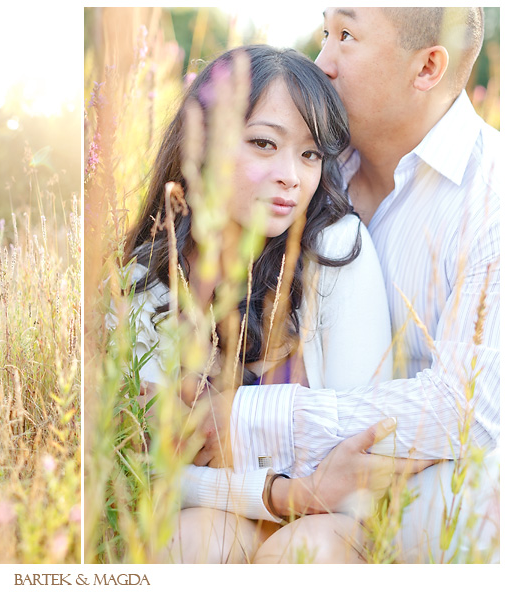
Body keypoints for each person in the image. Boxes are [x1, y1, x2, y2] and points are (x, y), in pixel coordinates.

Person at [190, 7, 499, 563]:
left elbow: (472, 409)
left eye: (346, 37)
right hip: (283, 494)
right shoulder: (304, 174)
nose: (321, 61)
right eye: (324, 32)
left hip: (437, 522)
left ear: (427, 67)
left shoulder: (491, 198)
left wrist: (241, 415)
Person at [113, 44, 418, 563]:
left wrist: (223, 422)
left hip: (331, 525)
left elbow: (359, 440)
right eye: (262, 144)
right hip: (230, 513)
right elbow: (150, 468)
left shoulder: (336, 249)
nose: (290, 176)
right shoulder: (149, 278)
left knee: (301, 553)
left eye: (310, 154)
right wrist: (280, 490)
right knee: (188, 542)